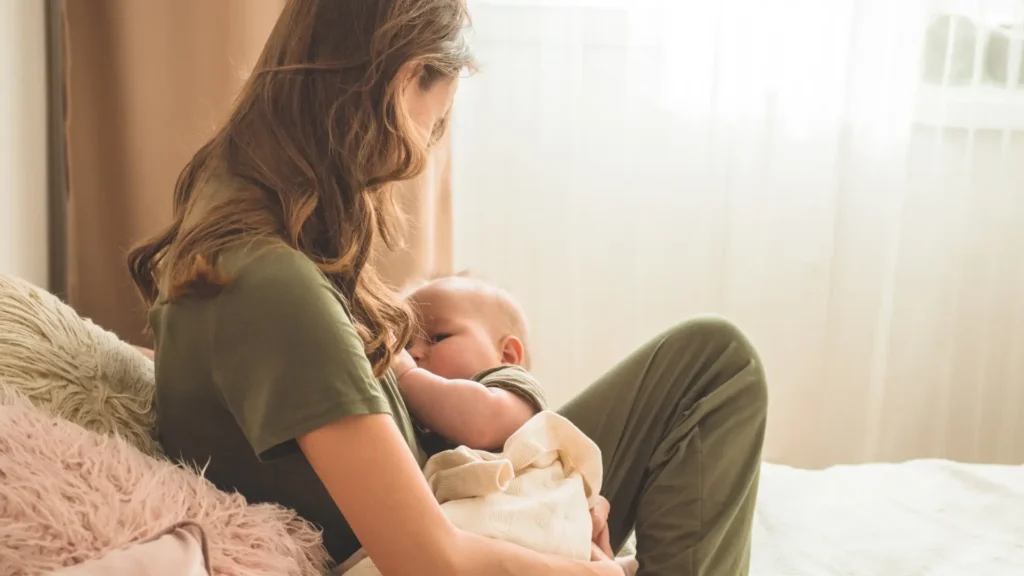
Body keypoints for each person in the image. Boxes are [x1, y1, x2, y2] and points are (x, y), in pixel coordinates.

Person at [127, 1, 768, 575]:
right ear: (407, 81)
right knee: (718, 369)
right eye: (435, 123)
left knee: (706, 357)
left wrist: (562, 490)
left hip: (451, 486)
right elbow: (430, 559)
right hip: (448, 520)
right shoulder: (271, 284)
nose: (426, 149)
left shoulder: (235, 229)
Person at [396, 274, 543, 456]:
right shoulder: (417, 415)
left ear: (507, 355)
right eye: (405, 345)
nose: (411, 354)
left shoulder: (513, 387)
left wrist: (407, 376)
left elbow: (483, 423)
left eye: (439, 337)